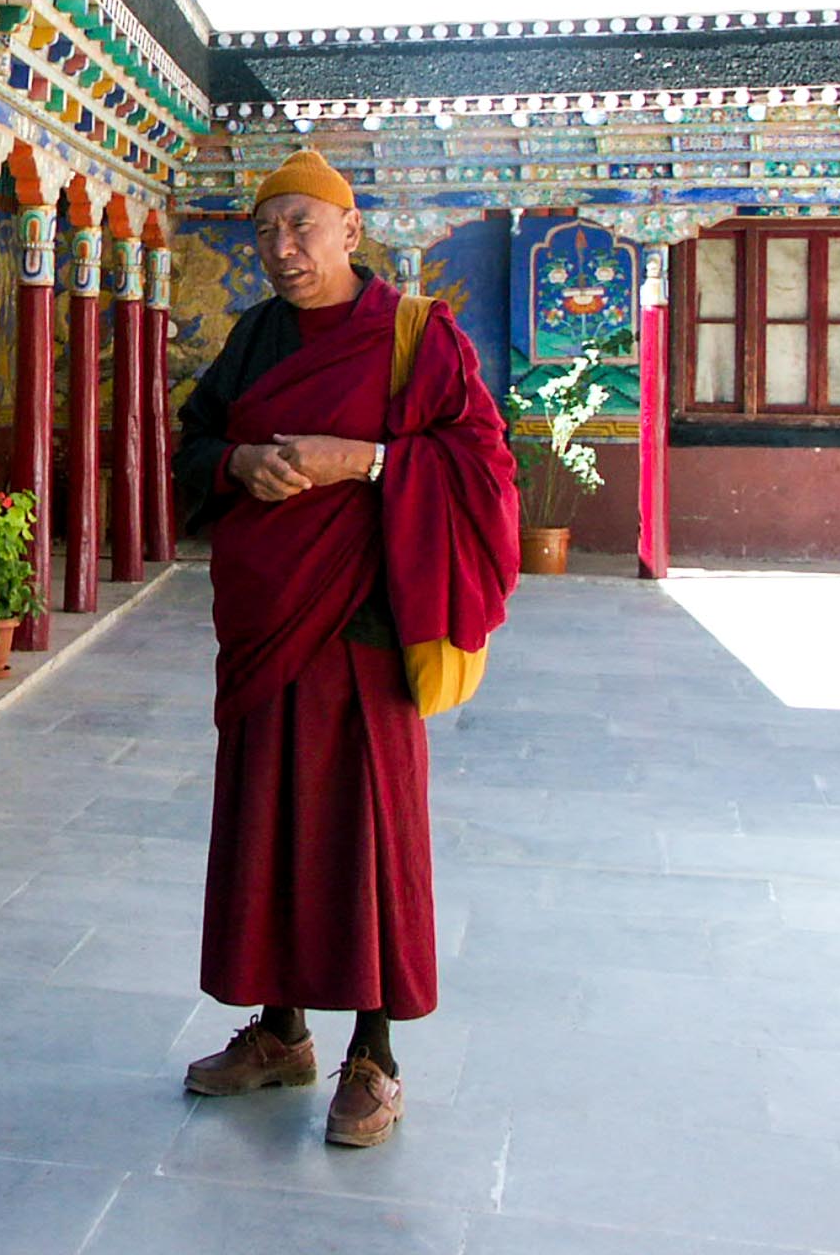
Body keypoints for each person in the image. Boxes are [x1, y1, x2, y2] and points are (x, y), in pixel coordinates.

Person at [170, 149, 517, 1149]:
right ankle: (280, 1031)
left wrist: (361, 462)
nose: (281, 249)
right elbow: (192, 447)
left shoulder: (416, 338)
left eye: (301, 228)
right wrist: (238, 461)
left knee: (363, 837)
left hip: (363, 622)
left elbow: (480, 465)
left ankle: (374, 1055)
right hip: (267, 622)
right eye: (266, 230)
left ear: (349, 232)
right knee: (264, 823)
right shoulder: (253, 338)